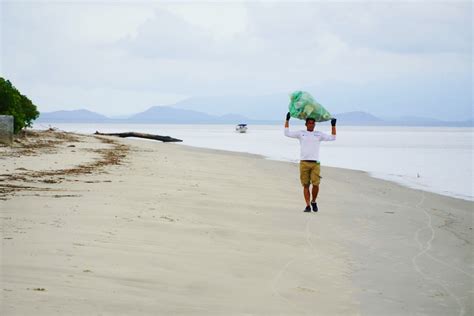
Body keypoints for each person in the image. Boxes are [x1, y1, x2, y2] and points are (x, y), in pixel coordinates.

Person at [284, 112, 337, 212]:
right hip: (304, 163)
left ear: (315, 124)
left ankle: (313, 201)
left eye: (313, 123)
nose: (311, 125)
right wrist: (287, 120)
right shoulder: (301, 133)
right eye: (309, 123)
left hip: (315, 163)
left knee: (316, 184)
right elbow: (287, 133)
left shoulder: (319, 134)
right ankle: (308, 205)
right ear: (306, 124)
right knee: (306, 185)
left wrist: (333, 125)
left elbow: (333, 138)